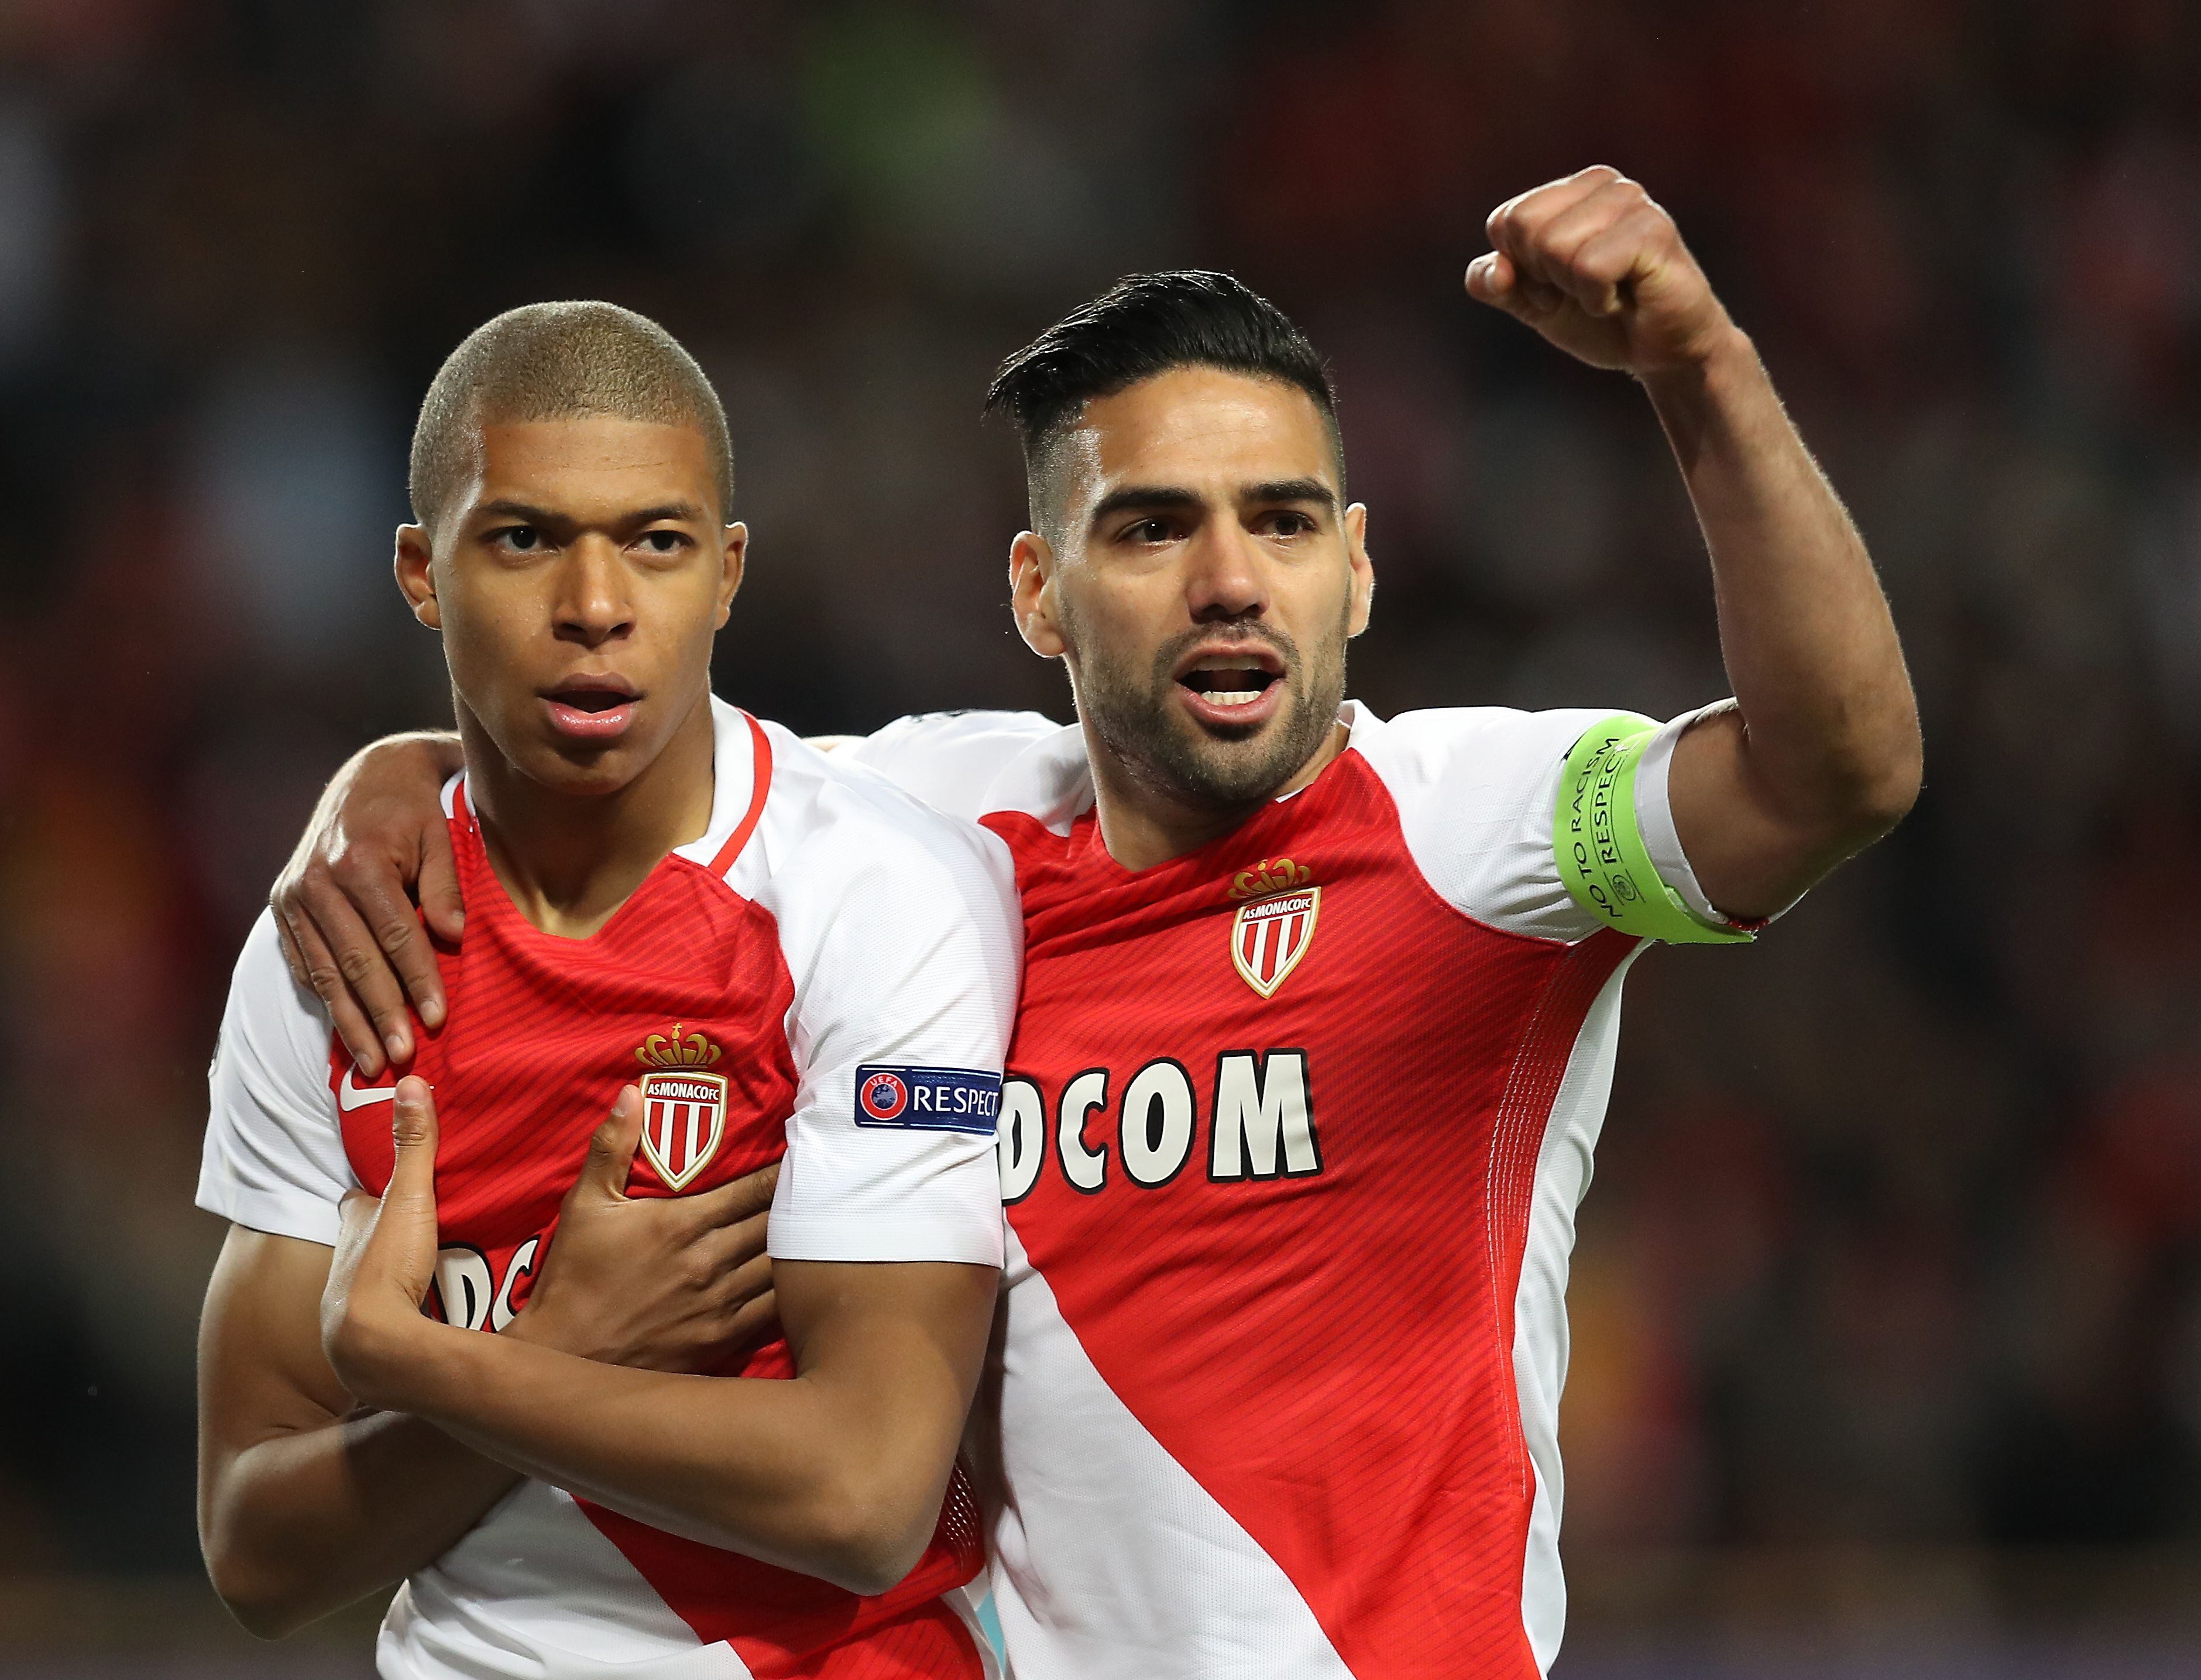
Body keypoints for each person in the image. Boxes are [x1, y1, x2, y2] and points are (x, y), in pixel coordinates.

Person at [274, 170, 1924, 1677]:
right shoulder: (930, 831)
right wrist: (397, 774)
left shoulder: (1477, 836)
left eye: (1282, 520)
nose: (1230, 579)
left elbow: (1837, 774)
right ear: (1035, 592)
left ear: (1355, 571)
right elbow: (614, 758)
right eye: (1150, 527)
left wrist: (1696, 369)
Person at [195, 300, 1024, 1678]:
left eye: (656, 541)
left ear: (727, 571)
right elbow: (254, 1550)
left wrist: (437, 1362)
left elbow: (865, 1495)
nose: (594, 605)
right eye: (524, 539)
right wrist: (566, 1339)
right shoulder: (341, 942)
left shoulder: (870, 893)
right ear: (421, 571)